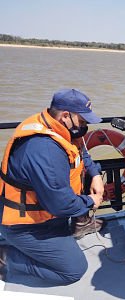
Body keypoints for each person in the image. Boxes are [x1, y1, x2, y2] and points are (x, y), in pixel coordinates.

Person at [0, 89, 106, 284]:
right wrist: (91, 201)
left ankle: (74, 227)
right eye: (82, 121)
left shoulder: (56, 127)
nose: (85, 126)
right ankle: (7, 258)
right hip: (27, 225)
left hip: (50, 216)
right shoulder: (44, 149)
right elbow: (60, 204)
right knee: (74, 270)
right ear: (66, 116)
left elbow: (81, 153)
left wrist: (96, 174)